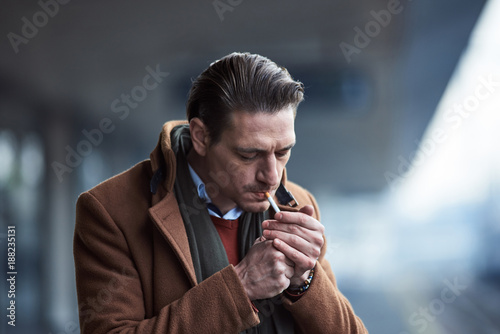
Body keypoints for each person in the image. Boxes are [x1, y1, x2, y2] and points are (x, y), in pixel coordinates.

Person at [74, 52, 368, 333]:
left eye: (283, 152)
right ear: (201, 137)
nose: (272, 176)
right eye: (249, 155)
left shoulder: (299, 205)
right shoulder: (109, 211)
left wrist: (305, 282)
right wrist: (241, 287)